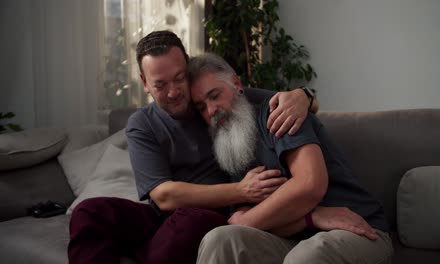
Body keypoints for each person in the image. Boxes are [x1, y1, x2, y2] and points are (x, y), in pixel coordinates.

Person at [68, 31, 379, 264]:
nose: (176, 93)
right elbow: (163, 196)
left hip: (204, 218)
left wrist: (303, 95)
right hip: (188, 214)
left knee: (193, 224)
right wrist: (244, 194)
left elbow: (288, 105)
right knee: (90, 212)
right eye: (160, 85)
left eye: (179, 79)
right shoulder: (156, 123)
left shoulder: (256, 111)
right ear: (145, 82)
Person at [188, 53, 394, 264]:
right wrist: (310, 217)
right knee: (219, 239)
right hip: (292, 237)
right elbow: (242, 220)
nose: (211, 111)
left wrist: (249, 219)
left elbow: (310, 185)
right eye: (201, 107)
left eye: (214, 95)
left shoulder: (281, 112)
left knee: (305, 257)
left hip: (357, 229)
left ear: (237, 84)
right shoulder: (229, 141)